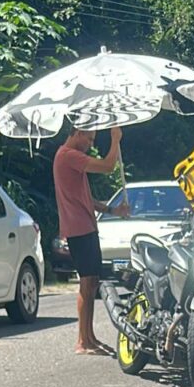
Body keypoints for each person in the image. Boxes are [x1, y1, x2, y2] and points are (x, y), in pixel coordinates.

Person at [53, 125, 129, 355]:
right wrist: (115, 139)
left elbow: (84, 197)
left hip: (85, 225)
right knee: (86, 283)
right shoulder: (68, 156)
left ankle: (89, 337)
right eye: (90, 138)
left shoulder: (71, 159)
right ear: (77, 133)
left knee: (92, 281)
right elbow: (108, 166)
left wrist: (111, 210)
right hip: (78, 228)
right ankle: (82, 341)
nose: (92, 144)